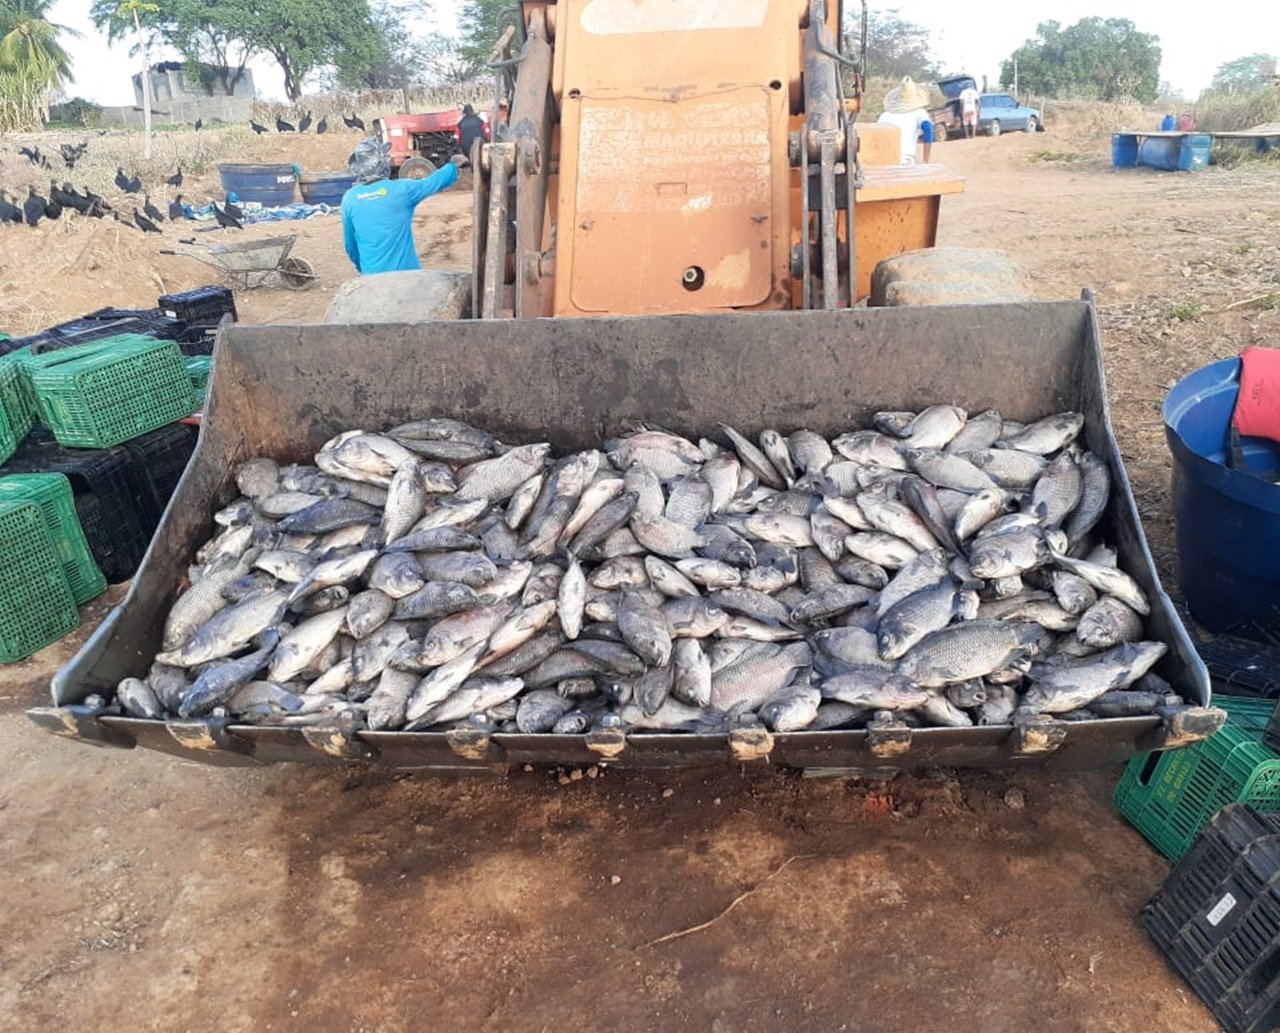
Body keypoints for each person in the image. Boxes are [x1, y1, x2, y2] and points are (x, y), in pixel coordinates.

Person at [341, 137, 466, 275]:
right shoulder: (402, 190)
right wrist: (453, 165)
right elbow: (432, 182)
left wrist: (365, 270)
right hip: (407, 277)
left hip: (372, 281)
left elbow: (350, 246)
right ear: (383, 163)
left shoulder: (350, 198)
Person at [877, 77, 934, 165]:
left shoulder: (884, 115)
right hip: (906, 159)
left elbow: (876, 137)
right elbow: (927, 128)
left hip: (885, 160)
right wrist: (926, 160)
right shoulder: (919, 113)